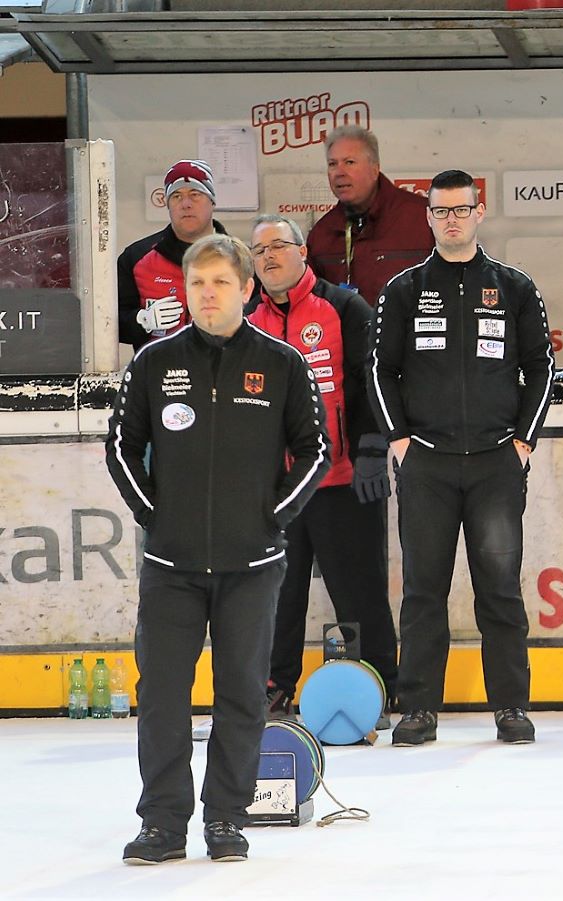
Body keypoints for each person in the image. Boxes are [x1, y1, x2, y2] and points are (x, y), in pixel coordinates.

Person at [106, 233, 329, 864]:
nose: (208, 295)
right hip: (170, 567)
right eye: (197, 283)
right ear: (185, 289)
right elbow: (121, 447)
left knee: (240, 697)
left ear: (246, 289)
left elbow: (315, 452)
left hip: (252, 567)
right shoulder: (152, 362)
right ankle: (163, 823)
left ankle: (226, 818)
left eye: (220, 283)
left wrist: (272, 521)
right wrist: (156, 517)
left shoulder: (283, 363)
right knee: (163, 697)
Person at [370, 170, 554, 746]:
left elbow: (542, 367)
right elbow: (380, 370)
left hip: (497, 461)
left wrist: (523, 441)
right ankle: (419, 708)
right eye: (440, 210)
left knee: (499, 588)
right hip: (426, 463)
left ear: (479, 213)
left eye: (460, 209)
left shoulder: (515, 287)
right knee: (424, 590)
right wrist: (400, 440)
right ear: (428, 217)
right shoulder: (403, 290)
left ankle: (511, 707)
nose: (451, 218)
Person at [245, 214, 397, 720]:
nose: (268, 256)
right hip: (280, 492)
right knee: (277, 596)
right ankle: (274, 685)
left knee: (360, 591)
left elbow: (371, 381)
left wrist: (372, 449)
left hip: (342, 481)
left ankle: (380, 682)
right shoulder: (247, 318)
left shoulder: (344, 307)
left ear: (303, 252)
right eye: (259, 249)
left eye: (278, 246)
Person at [306, 125, 433, 307]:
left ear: (375, 169)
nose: (339, 172)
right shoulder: (321, 234)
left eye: (349, 162)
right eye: (332, 164)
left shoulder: (423, 218)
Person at [117, 160, 227, 348]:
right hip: (157, 371)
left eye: (195, 194)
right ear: (167, 204)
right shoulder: (136, 257)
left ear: (212, 201)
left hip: (226, 370)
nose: (185, 204)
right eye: (176, 196)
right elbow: (108, 322)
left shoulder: (239, 259)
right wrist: (142, 320)